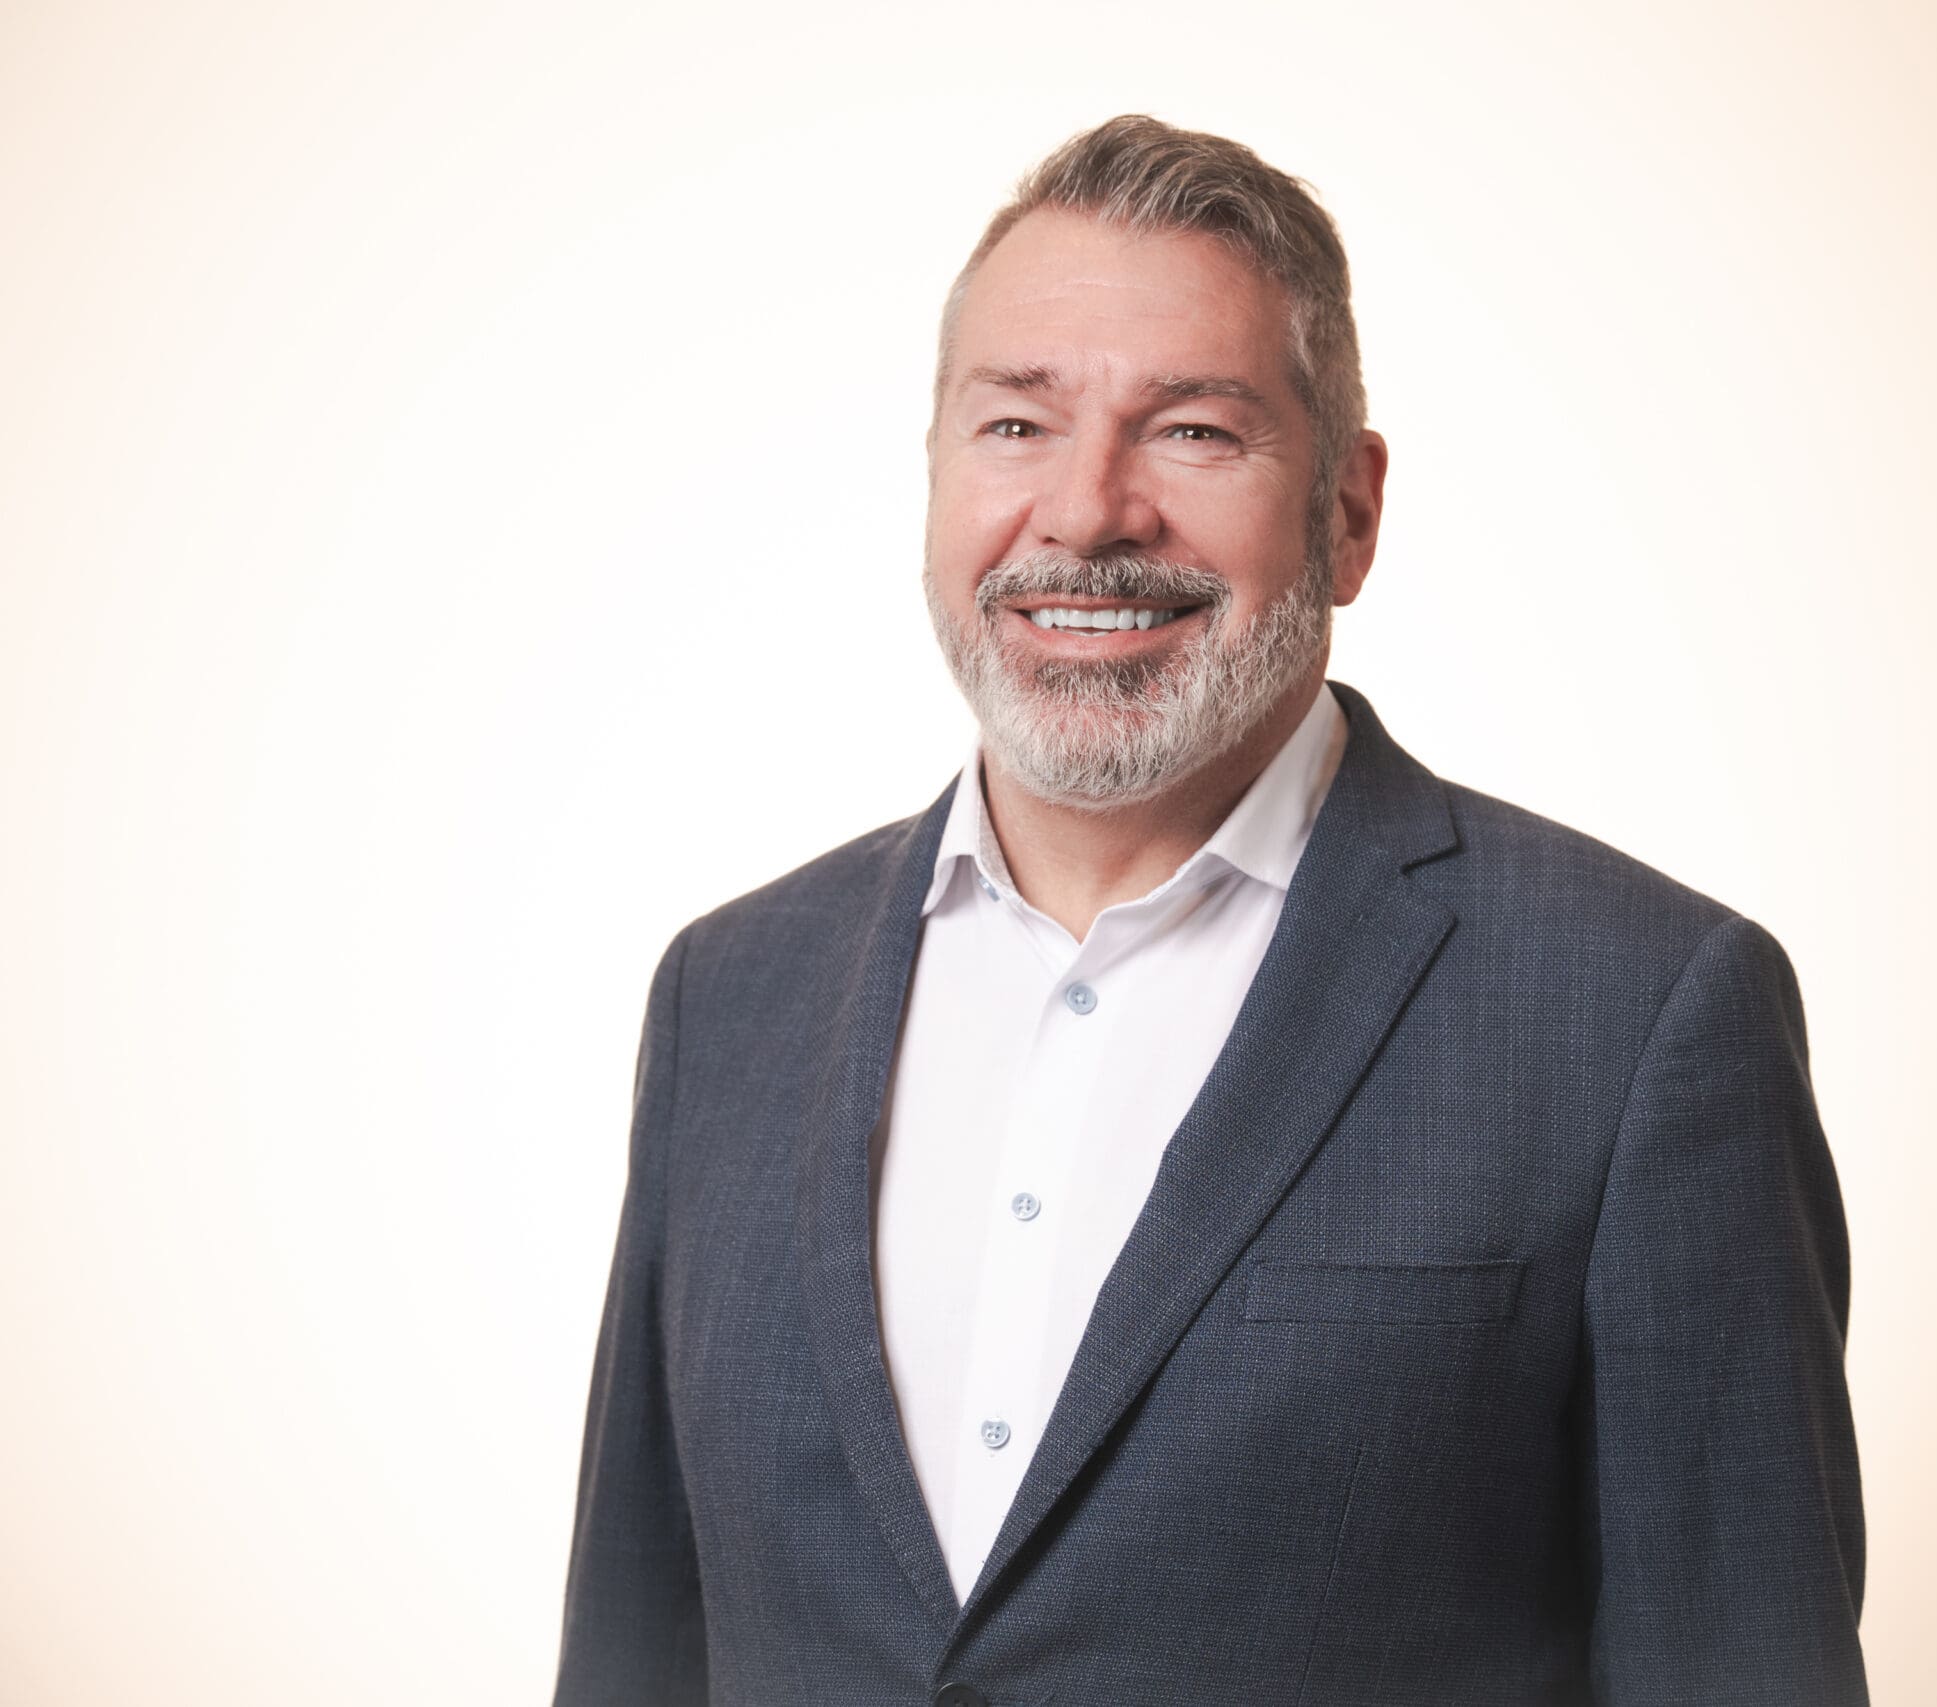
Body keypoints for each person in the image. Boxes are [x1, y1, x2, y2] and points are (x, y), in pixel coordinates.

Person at [552, 115, 1868, 1706]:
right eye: (1016, 425)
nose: (1089, 512)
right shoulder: (730, 996)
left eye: (1193, 432)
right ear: (933, 479)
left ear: (1351, 513)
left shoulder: (1641, 1013)